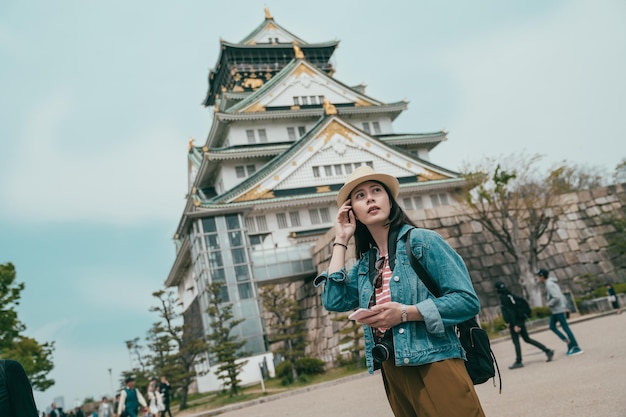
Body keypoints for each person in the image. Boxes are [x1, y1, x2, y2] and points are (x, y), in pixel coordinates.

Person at [314, 166, 486, 417]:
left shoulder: (423, 242)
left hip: (436, 362)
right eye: (360, 196)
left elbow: (467, 301)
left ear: (390, 201)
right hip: (393, 370)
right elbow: (333, 299)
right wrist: (341, 239)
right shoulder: (365, 265)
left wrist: (406, 313)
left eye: (376, 190)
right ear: (353, 212)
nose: (370, 198)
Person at [494, 281, 554, 369]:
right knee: (527, 339)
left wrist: (513, 324)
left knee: (516, 341)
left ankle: (519, 361)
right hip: (520, 320)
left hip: (516, 323)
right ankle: (547, 351)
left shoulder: (503, 297)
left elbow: (510, 312)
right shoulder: (510, 295)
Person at [535, 268, 583, 356]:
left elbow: (556, 297)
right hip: (558, 309)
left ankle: (575, 346)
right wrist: (565, 306)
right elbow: (561, 296)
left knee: (564, 328)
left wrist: (549, 304)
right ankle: (568, 342)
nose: (537, 278)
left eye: (538, 276)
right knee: (553, 326)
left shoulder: (549, 284)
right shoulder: (551, 283)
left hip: (558, 310)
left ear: (542, 276)